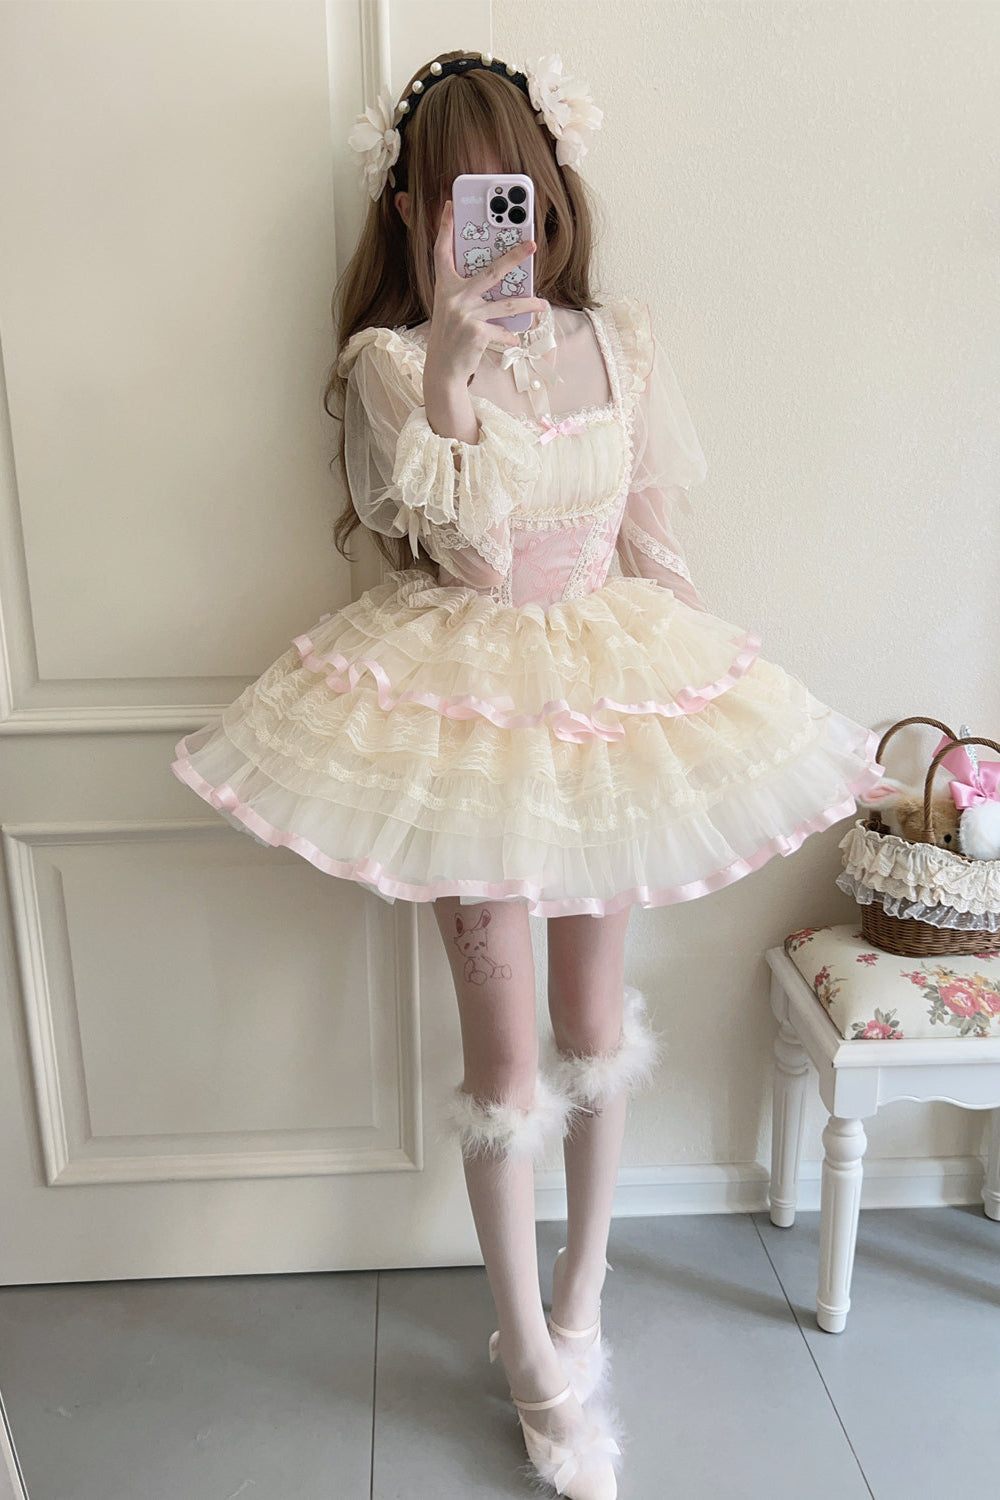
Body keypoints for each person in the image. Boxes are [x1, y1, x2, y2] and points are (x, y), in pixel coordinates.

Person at [171, 49, 884, 1500]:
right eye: (456, 197)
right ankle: (530, 1357)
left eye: (512, 188)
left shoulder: (621, 341)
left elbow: (654, 545)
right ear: (416, 212)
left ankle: (582, 1297)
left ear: (549, 189)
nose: (494, 221)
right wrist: (449, 368)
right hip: (466, 713)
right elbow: (463, 552)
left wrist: (708, 699)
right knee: (504, 1063)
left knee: (595, 1023)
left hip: (603, 706)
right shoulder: (391, 366)